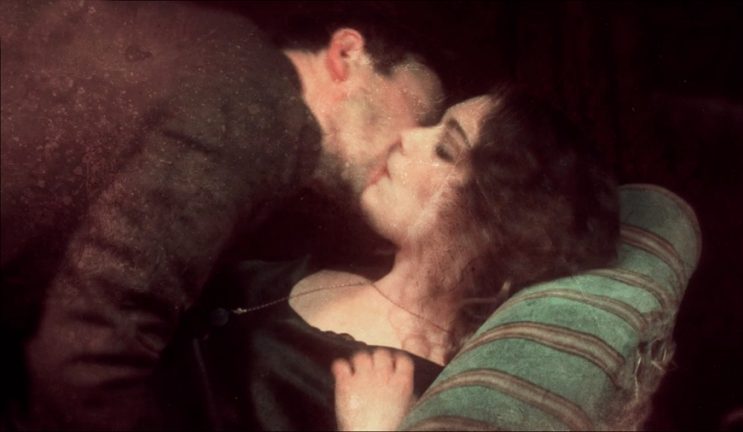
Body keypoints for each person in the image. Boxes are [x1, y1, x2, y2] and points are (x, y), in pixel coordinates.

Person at [0, 1, 442, 430]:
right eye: (421, 113)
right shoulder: (260, 113)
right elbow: (87, 352)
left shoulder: (230, 58)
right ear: (347, 53)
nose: (411, 140)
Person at [198, 86, 620, 430]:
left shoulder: (435, 397)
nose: (408, 136)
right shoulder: (332, 251)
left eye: (445, 150)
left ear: (493, 219)